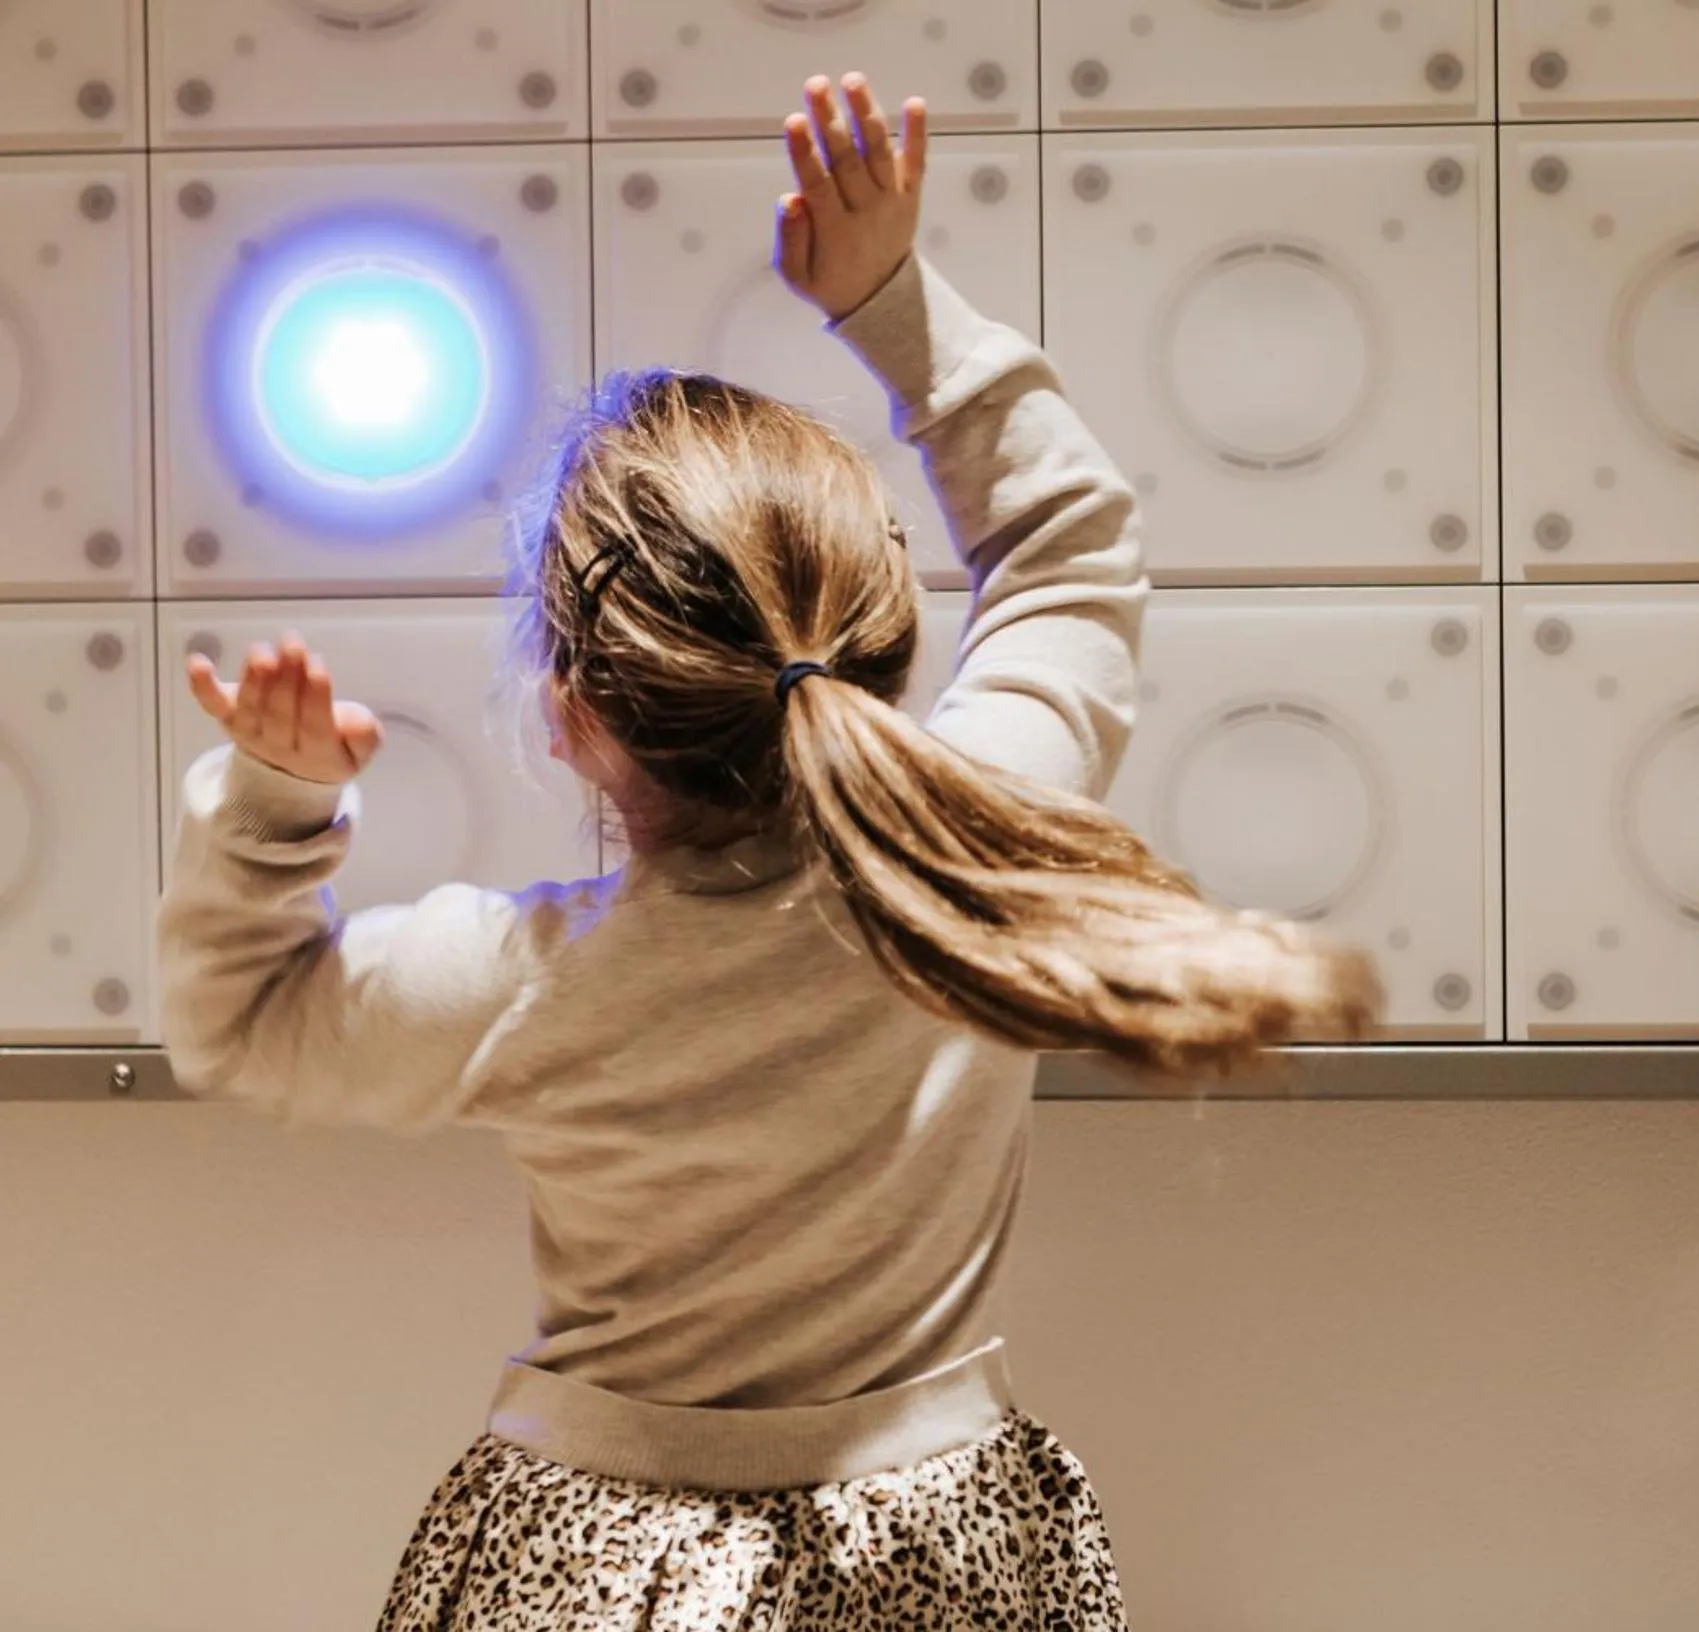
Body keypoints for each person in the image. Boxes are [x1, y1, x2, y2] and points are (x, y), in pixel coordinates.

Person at [157, 70, 1378, 1630]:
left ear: (570, 716)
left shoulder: (514, 982)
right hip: (944, 1550)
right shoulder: (986, 847)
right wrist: (889, 300)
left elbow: (238, 1023)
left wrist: (275, 805)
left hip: (585, 1559)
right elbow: (1071, 546)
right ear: (881, 637)